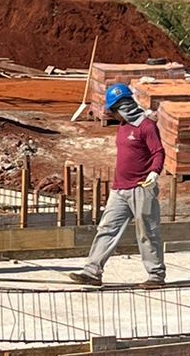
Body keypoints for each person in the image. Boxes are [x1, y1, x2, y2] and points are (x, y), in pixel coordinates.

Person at [68, 83, 166, 288]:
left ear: (123, 107)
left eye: (113, 110)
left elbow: (158, 152)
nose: (112, 115)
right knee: (107, 228)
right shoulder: (123, 126)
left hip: (141, 187)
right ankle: (92, 271)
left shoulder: (146, 126)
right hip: (120, 189)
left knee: (147, 231)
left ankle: (156, 275)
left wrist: (154, 173)